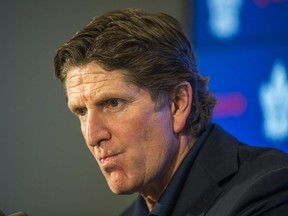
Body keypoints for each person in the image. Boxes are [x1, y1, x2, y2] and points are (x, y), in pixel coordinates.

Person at [54, 8, 288, 216]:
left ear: (178, 103)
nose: (92, 136)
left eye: (113, 103)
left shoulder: (268, 190)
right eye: (82, 111)